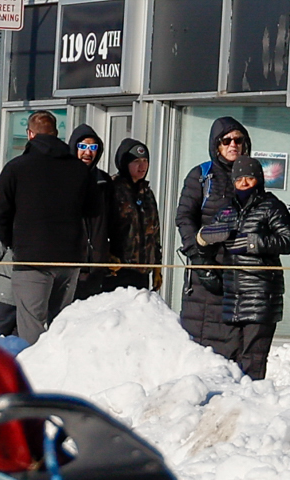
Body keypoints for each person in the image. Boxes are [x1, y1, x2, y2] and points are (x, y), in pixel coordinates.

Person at [0, 112, 95, 341]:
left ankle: (34, 374)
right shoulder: (78, 169)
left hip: (31, 257)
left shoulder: (17, 167)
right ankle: (58, 373)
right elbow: (93, 209)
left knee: (31, 325)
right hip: (69, 257)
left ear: (30, 134)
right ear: (56, 134)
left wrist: (11, 240)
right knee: (60, 325)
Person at [192, 156, 290, 381]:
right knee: (230, 358)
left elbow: (289, 240)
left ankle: (252, 406)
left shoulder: (271, 206)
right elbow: (207, 246)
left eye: (249, 178)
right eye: (238, 179)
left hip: (261, 295)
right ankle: (234, 403)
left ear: (259, 180)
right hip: (232, 295)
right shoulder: (226, 210)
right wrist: (203, 240)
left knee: (254, 359)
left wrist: (254, 242)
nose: (243, 183)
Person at [169, 119, 260, 358]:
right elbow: (184, 217)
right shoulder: (202, 176)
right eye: (226, 140)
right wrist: (199, 257)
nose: (233, 145)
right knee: (205, 340)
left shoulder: (252, 176)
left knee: (239, 342)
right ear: (216, 145)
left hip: (243, 271)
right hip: (206, 269)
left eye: (238, 140)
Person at [101, 138, 163, 303]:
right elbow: (101, 228)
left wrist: (157, 265)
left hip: (142, 271)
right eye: (136, 161)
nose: (142, 166)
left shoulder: (147, 193)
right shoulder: (112, 189)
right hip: (117, 270)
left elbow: (154, 232)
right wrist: (107, 255)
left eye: (145, 161)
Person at [64, 127, 119, 298]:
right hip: (68, 262)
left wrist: (112, 251)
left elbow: (112, 220)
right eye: (83, 146)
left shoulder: (103, 181)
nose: (88, 152)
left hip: (96, 263)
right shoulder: (62, 178)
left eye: (93, 148)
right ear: (74, 147)